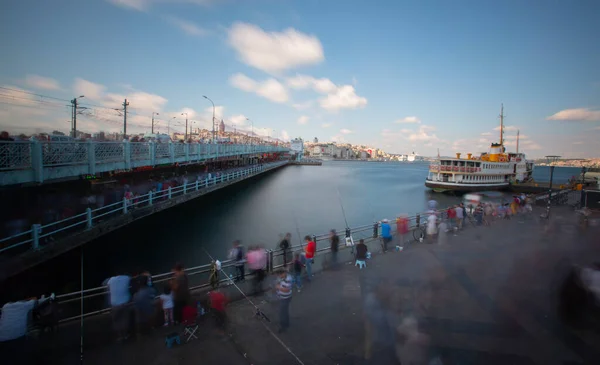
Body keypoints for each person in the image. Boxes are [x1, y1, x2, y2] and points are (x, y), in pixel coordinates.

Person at [103, 273, 131, 341]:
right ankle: (126, 335)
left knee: (116, 321)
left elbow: (105, 285)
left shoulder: (111, 280)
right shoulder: (126, 277)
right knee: (125, 320)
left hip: (115, 304)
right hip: (125, 303)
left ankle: (120, 336)